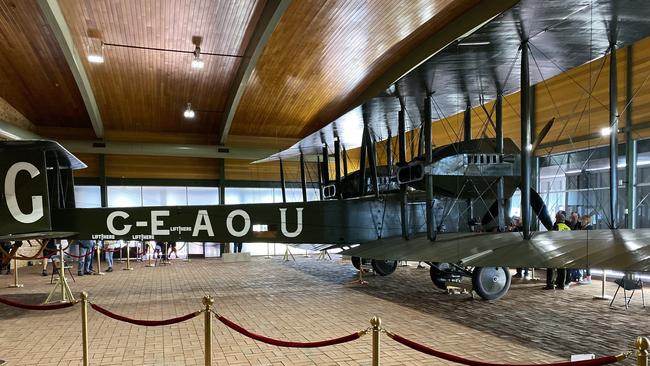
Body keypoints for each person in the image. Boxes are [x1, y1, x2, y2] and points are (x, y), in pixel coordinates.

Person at [545, 212, 571, 290]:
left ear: (557, 218)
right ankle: (561, 284)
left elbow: (551, 237)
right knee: (562, 268)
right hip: (565, 250)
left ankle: (550, 284)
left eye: (556, 217)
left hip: (555, 249)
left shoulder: (556, 226)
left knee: (550, 267)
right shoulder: (568, 227)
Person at [579, 215, 593, 285]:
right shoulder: (583, 228)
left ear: (587, 221)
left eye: (583, 220)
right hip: (584, 247)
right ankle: (585, 278)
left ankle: (588, 278)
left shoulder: (589, 228)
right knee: (584, 264)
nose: (581, 221)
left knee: (587, 264)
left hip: (587, 248)